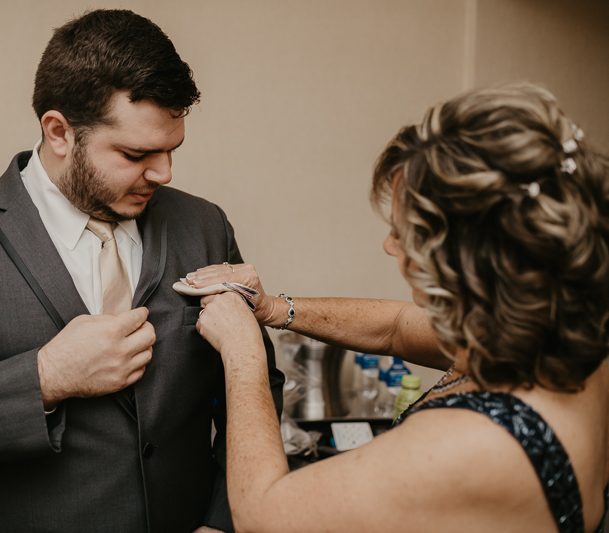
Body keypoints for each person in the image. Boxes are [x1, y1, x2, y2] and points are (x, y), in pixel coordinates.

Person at [0, 9, 283, 533]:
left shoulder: (203, 224)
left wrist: (223, 519)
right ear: (59, 132)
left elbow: (257, 380)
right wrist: (44, 379)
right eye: (135, 153)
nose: (165, 174)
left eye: (172, 150)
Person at [191, 84, 609, 533]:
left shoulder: (476, 442)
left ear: (464, 258)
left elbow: (263, 514)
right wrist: (273, 309)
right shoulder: (562, 337)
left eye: (403, 229)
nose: (389, 245)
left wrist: (243, 353)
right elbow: (397, 327)